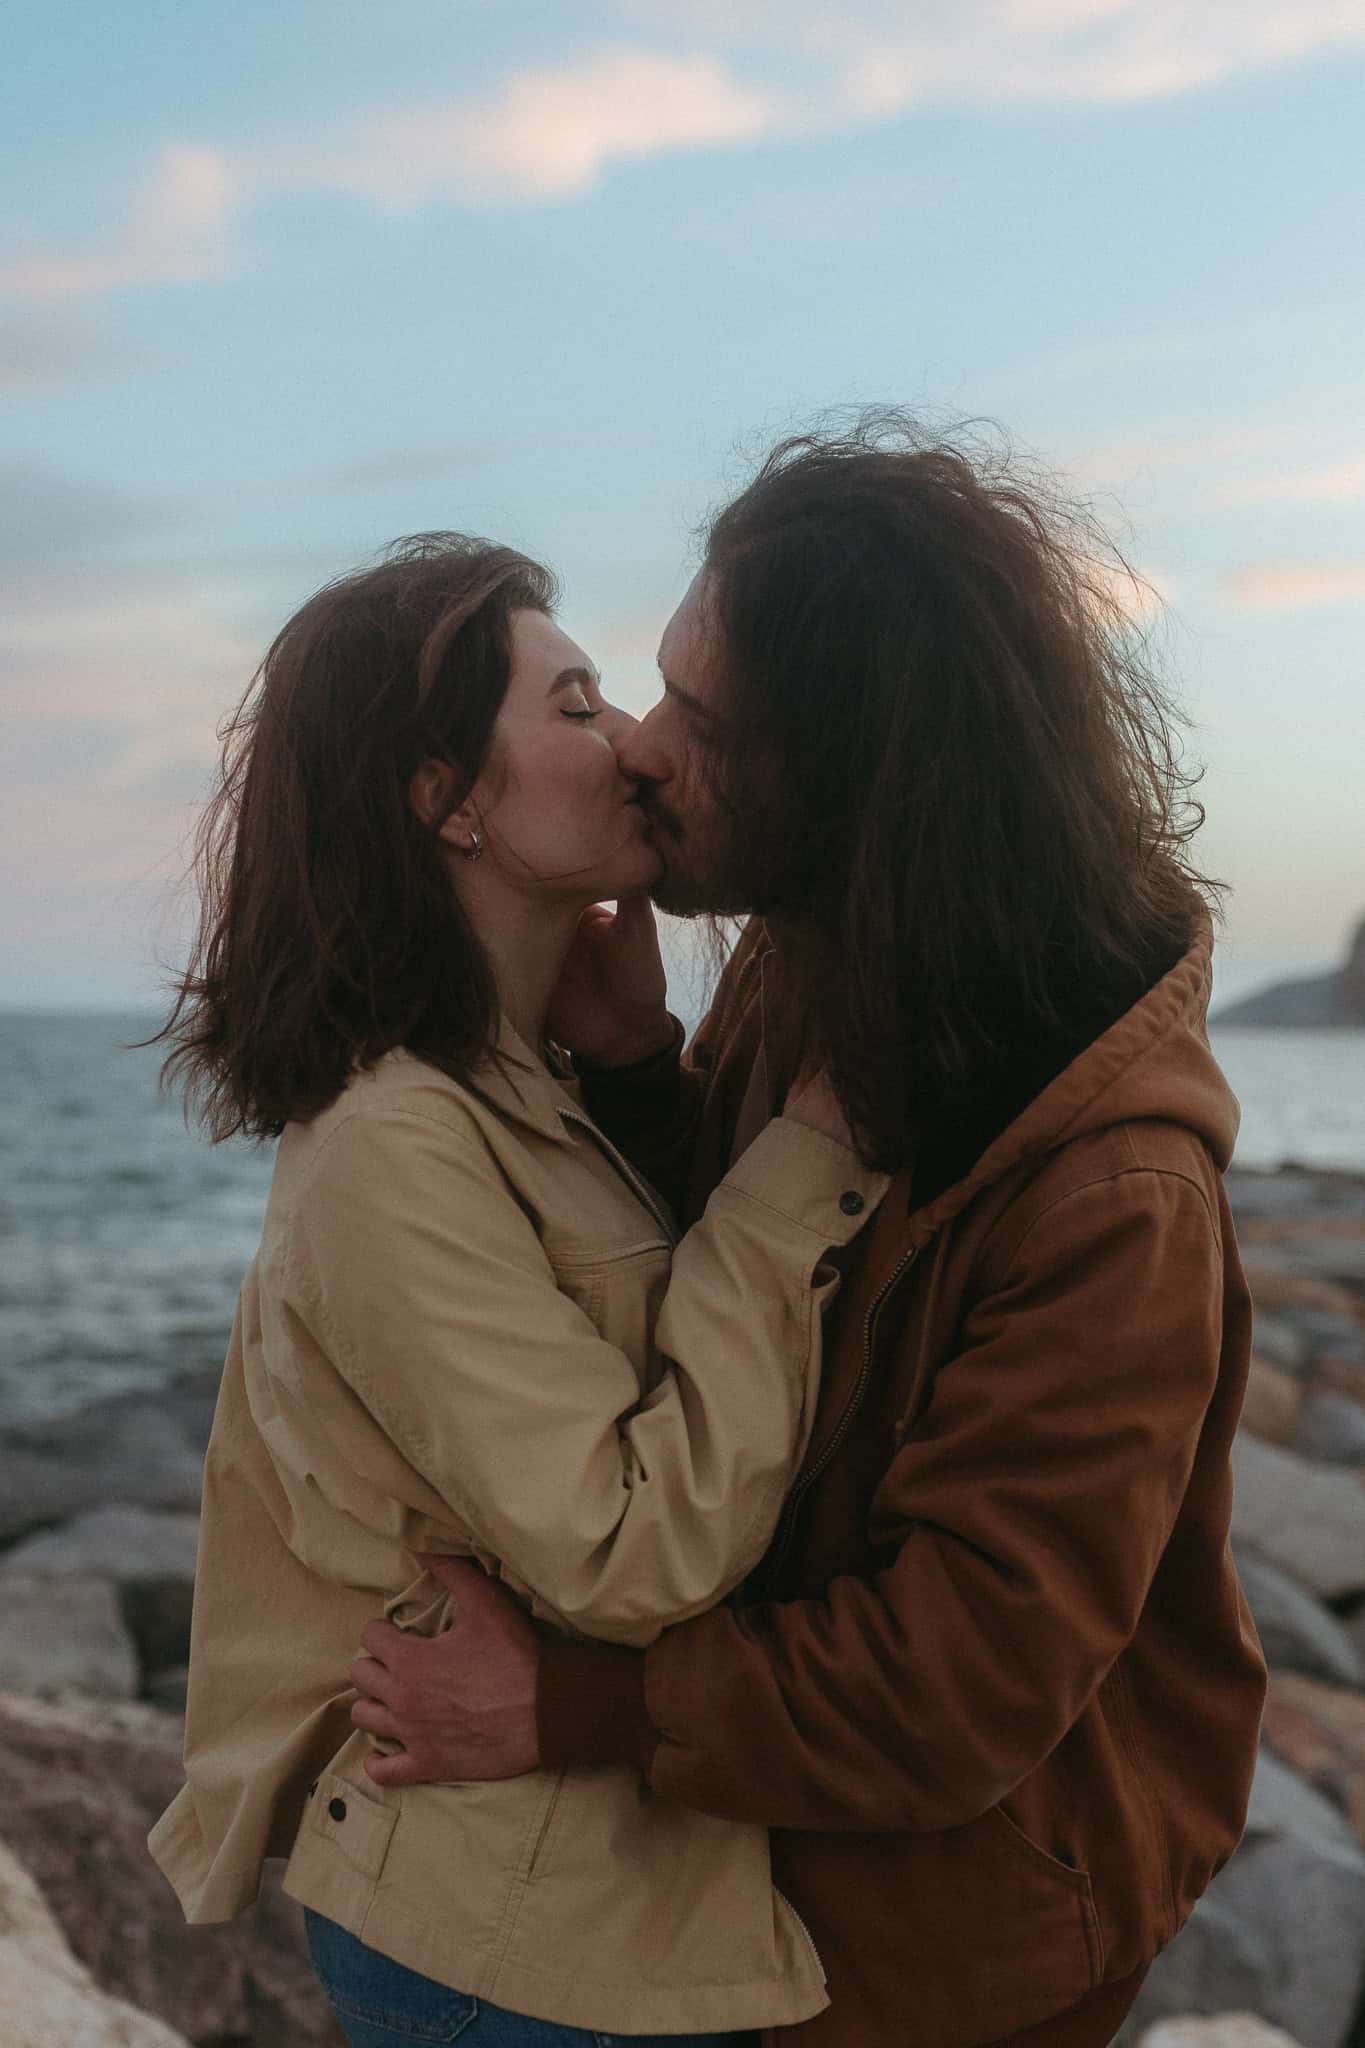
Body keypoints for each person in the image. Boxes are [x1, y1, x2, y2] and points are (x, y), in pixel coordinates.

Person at [348, 419, 1268, 2048]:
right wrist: (643, 1081)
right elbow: (774, 1272)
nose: (638, 749)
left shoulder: (1111, 1197)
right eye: (647, 689)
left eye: (700, 722)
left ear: (850, 770)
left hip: (956, 1943)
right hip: (769, 1862)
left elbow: (956, 1683)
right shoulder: (839, 948)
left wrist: (565, 1706)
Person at [146, 533, 899, 2045]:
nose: (629, 745)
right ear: (444, 800)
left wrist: (637, 1076)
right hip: (506, 1945)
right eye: (571, 707)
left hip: (581, 1906)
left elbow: (636, 1370)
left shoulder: (511, 1088)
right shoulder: (392, 1142)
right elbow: (629, 1543)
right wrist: (800, 1160)